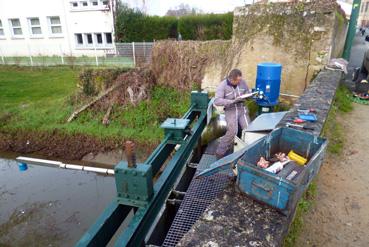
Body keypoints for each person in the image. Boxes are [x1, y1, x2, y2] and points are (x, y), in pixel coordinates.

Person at [214, 69, 251, 159]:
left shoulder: (242, 82)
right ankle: (220, 152)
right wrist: (231, 101)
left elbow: (247, 92)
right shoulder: (222, 86)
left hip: (242, 108)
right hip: (230, 110)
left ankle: (245, 152)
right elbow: (217, 101)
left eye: (240, 80)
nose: (239, 82)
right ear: (231, 79)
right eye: (237, 81)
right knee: (232, 131)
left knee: (248, 129)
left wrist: (250, 95)